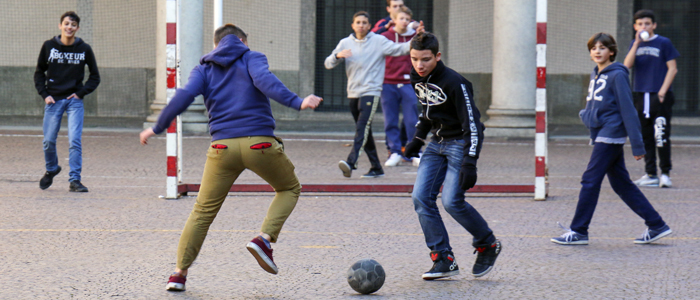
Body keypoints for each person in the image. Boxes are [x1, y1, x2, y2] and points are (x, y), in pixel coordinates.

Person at [139, 24, 322, 292]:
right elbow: (265, 81)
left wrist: (156, 126)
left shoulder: (203, 68)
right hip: (260, 144)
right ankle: (264, 239)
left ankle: (178, 274)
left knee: (202, 212)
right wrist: (297, 101)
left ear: (216, 45)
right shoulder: (252, 56)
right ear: (241, 41)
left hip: (221, 149)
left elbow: (184, 96)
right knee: (289, 188)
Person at [551, 33, 672, 246]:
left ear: (612, 51)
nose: (597, 51)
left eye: (602, 47)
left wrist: (637, 144)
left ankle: (579, 231)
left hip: (611, 133)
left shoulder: (618, 75)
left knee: (590, 179)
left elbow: (628, 110)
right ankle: (657, 225)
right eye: (593, 48)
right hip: (602, 133)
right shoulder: (596, 74)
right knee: (622, 184)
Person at [403, 32, 501, 280]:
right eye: (414, 59)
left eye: (425, 59)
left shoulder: (456, 82)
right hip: (436, 144)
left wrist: (471, 160)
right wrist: (417, 138)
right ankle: (443, 258)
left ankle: (487, 244)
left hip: (459, 144)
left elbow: (473, 124)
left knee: (451, 202)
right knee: (421, 197)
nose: (419, 65)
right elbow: (427, 111)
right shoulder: (417, 77)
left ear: (437, 56)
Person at [324, 11, 423, 178]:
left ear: (370, 26)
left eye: (364, 22)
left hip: (371, 92)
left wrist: (418, 38)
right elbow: (328, 63)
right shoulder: (345, 43)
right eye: (358, 22)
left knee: (362, 128)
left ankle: (351, 161)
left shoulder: (379, 41)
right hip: (353, 93)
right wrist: (337, 56)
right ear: (353, 25)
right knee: (364, 131)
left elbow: (401, 49)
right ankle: (376, 167)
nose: (361, 25)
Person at [34, 11, 100, 193]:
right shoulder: (49, 46)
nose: (69, 27)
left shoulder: (84, 48)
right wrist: (44, 94)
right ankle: (52, 168)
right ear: (60, 26)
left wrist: (81, 93)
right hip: (53, 101)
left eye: (73, 25)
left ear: (77, 28)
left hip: (74, 102)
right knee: (48, 141)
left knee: (75, 140)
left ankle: (75, 180)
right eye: (66, 24)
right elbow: (39, 72)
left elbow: (95, 76)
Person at [623, 9, 679, 188]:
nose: (643, 27)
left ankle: (665, 173)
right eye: (640, 24)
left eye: (647, 23)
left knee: (661, 134)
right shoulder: (635, 44)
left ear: (654, 25)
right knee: (645, 136)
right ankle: (650, 174)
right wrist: (636, 44)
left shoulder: (663, 43)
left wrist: (662, 91)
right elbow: (627, 65)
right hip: (641, 95)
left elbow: (672, 68)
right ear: (635, 27)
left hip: (659, 95)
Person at [381, 6, 421, 167]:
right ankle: (395, 152)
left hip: (408, 83)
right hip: (388, 83)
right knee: (390, 119)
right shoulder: (384, 36)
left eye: (407, 19)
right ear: (394, 20)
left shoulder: (416, 37)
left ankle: (415, 152)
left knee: (412, 119)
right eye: (401, 18)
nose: (404, 22)